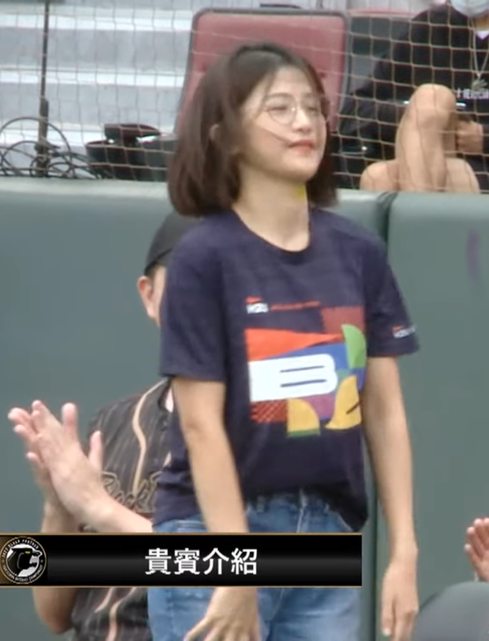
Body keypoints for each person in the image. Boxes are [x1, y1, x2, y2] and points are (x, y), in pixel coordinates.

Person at [148, 42, 419, 641]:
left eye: (312, 107)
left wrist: (404, 550)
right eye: (279, 108)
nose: (304, 122)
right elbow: (200, 424)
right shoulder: (201, 258)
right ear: (225, 136)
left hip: (326, 533)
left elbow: (384, 410)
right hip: (212, 530)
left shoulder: (360, 253)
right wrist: (232, 567)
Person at [7, 213, 195, 641]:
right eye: (186, 285)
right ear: (149, 297)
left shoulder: (267, 433)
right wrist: (59, 507)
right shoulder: (111, 423)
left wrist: (98, 507)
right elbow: (54, 615)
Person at [339, 1, 489, 193]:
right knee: (378, 177)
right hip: (425, 156)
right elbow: (354, 109)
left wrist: (484, 138)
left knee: (432, 98)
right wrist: (417, 116)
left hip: (483, 164)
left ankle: (416, 208)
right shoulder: (428, 27)